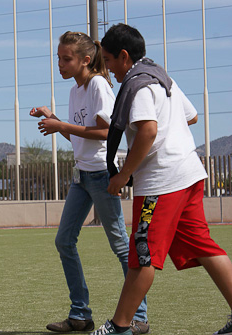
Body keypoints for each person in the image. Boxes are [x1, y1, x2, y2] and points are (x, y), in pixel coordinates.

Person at [89, 23, 232, 335]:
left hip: (161, 183)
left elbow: (149, 131)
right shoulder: (161, 76)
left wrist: (124, 174)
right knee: (204, 247)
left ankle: (120, 326)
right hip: (189, 174)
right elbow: (191, 115)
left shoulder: (137, 85)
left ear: (124, 57)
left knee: (143, 253)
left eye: (109, 60)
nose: (108, 68)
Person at [29, 31, 148, 334]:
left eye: (66, 58)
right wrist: (55, 121)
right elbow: (79, 136)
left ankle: (138, 317)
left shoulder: (97, 85)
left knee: (120, 244)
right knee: (64, 241)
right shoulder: (74, 92)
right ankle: (80, 314)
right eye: (58, 58)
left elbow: (109, 133)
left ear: (84, 59)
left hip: (101, 174)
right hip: (81, 176)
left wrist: (62, 124)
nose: (60, 64)